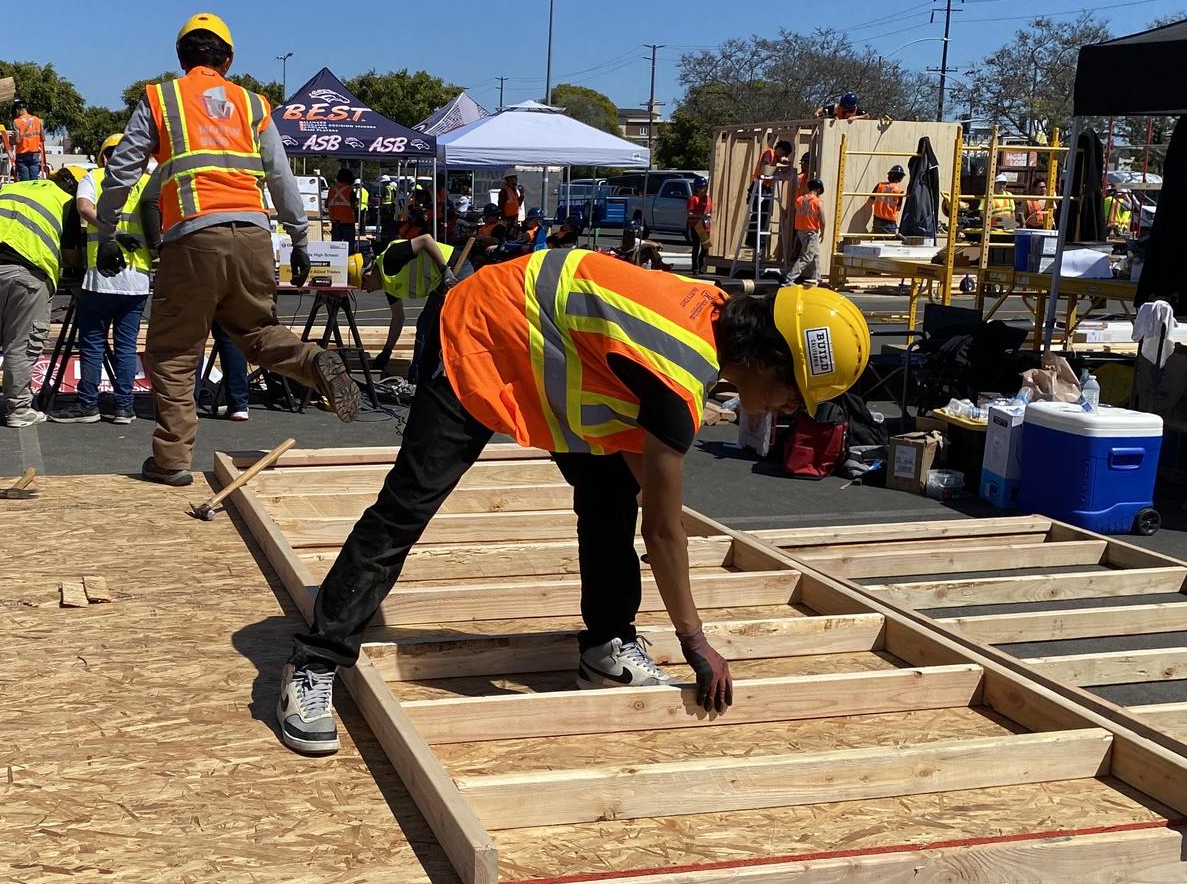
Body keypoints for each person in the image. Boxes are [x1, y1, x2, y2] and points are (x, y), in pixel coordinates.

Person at [274, 251, 871, 755]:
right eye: (795, 396)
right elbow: (664, 533)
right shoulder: (677, 379)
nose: (791, 411)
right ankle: (316, 660)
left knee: (611, 492)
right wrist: (696, 642)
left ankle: (606, 644)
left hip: (555, 352)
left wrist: (652, 496)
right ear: (769, 363)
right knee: (410, 503)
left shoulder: (715, 312)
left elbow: (652, 496)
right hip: (478, 331)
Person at [93, 12, 360, 486]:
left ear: (180, 58)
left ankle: (173, 460)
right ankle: (315, 363)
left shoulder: (162, 98)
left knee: (173, 350)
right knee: (257, 330)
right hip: (255, 237)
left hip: (194, 238)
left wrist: (109, 233)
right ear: (229, 59)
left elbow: (122, 172)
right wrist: (300, 240)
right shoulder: (253, 104)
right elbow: (281, 176)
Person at [0, 164, 81, 428]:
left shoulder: (12, 188)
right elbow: (70, 254)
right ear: (74, 187)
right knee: (21, 345)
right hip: (29, 273)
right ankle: (18, 409)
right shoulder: (67, 201)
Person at [56, 133, 152, 425]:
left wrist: (110, 230)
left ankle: (88, 404)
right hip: (137, 279)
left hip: (102, 276)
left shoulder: (95, 177)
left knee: (93, 342)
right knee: (125, 346)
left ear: (103, 157)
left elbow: (84, 208)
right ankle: (124, 406)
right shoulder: (146, 182)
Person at [366, 232, 452, 372]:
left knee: (428, 326)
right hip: (440, 282)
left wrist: (445, 270)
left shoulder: (391, 258)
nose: (368, 291)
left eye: (365, 287)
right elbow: (398, 317)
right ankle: (421, 377)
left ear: (367, 275)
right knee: (428, 325)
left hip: (453, 269)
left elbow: (426, 239)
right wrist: (387, 351)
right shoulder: (387, 284)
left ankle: (421, 378)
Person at [788, 178, 824, 284]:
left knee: (815, 255)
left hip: (801, 231)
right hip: (811, 232)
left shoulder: (799, 200)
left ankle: (817, 280)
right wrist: (823, 232)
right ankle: (789, 279)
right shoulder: (817, 202)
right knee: (807, 257)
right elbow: (822, 219)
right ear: (818, 189)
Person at [11, 99, 46, 181]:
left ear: (17, 110)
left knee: (25, 181)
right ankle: (33, 193)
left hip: (22, 153)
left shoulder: (16, 122)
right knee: (34, 180)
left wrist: (10, 141)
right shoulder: (38, 120)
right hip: (35, 153)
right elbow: (43, 138)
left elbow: (17, 141)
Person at [326, 167, 359, 243]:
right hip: (347, 222)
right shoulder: (349, 190)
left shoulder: (332, 190)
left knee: (336, 248)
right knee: (349, 247)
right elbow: (354, 205)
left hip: (335, 222)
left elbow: (327, 204)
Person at [686, 180, 711, 274]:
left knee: (705, 247)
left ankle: (701, 266)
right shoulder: (693, 199)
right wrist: (699, 215)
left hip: (706, 225)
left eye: (704, 187)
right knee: (696, 246)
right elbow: (689, 213)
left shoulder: (708, 199)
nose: (703, 190)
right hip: (696, 225)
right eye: (701, 188)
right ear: (697, 188)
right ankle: (695, 267)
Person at [871, 166, 904, 235]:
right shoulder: (899, 191)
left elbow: (872, 198)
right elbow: (898, 208)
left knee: (877, 241)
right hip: (889, 224)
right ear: (900, 178)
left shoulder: (879, 186)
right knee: (888, 243)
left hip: (877, 221)